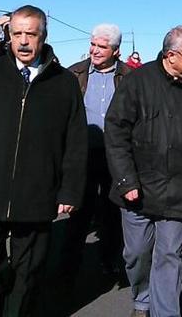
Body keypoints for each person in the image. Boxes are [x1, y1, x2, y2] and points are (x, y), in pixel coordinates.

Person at [0, 5, 89, 316]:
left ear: (43, 36)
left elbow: (75, 142)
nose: (22, 41)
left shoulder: (64, 83)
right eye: (16, 33)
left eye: (30, 34)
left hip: (37, 194)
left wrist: (70, 190)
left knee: (28, 272)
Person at [104, 25, 182, 317]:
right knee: (137, 253)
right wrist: (126, 179)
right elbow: (116, 131)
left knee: (169, 255)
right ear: (171, 55)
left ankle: (165, 312)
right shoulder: (137, 82)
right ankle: (142, 299)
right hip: (137, 188)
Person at [61, 24, 132, 281]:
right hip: (83, 154)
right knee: (79, 211)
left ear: (116, 51)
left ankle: (110, 260)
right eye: (93, 44)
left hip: (115, 156)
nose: (95, 50)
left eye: (102, 46)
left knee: (113, 212)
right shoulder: (74, 74)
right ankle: (68, 266)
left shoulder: (128, 77)